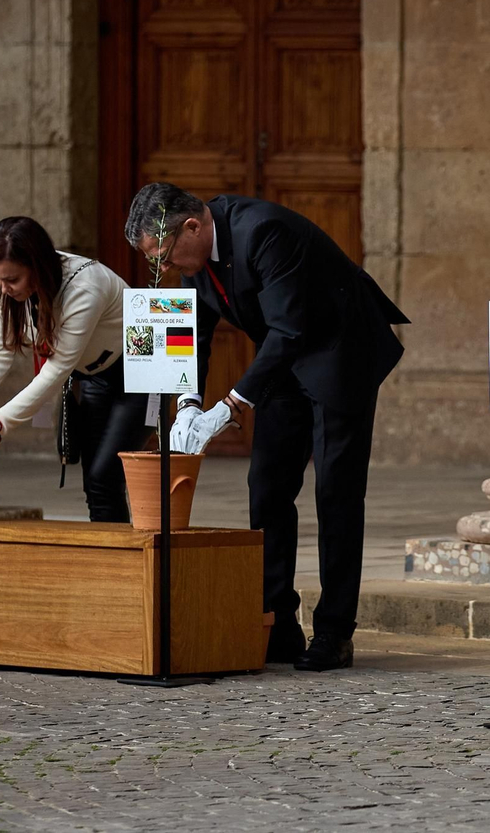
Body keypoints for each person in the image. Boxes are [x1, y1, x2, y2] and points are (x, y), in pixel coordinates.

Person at [124, 183, 407, 672]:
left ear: (191, 227)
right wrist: (189, 403)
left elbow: (290, 329)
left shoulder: (263, 231)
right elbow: (195, 335)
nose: (164, 268)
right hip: (285, 358)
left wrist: (229, 406)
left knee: (335, 489)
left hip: (339, 349)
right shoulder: (194, 255)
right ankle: (278, 623)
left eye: (164, 256)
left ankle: (335, 632)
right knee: (268, 485)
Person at [0, 217, 149, 522]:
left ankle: (130, 549)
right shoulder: (6, 286)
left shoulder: (86, 287)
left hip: (140, 369)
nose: (4, 288)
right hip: (93, 376)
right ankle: (110, 550)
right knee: (95, 483)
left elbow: (56, 370)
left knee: (104, 475)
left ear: (37, 266)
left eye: (12, 279)